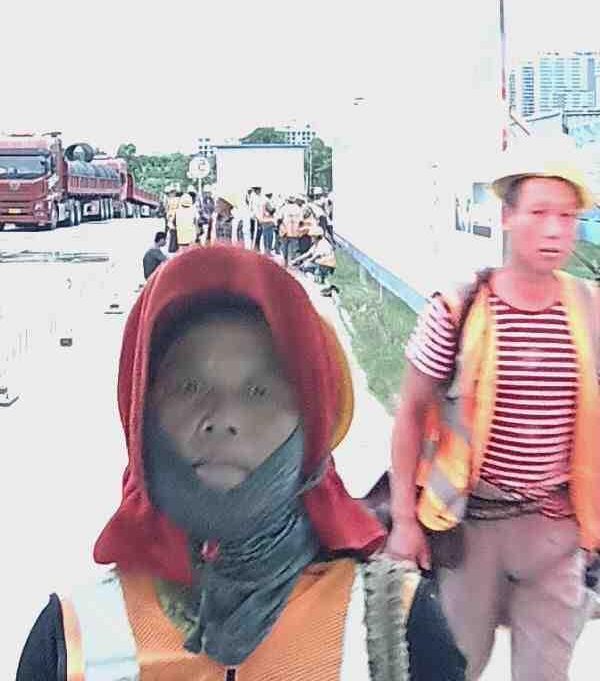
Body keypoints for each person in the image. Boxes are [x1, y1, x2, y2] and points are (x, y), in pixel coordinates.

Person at [17, 245, 466, 680]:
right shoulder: (72, 640)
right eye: (189, 387)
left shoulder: (392, 626)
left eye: (259, 392)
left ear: (310, 427)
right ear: (141, 417)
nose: (222, 418)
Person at [387, 137, 600, 681]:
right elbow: (410, 412)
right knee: (455, 667)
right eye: (539, 213)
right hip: (470, 529)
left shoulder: (591, 310)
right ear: (506, 216)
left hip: (555, 533)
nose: (554, 231)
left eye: (567, 217)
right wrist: (405, 521)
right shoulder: (457, 310)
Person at [293, 228, 338, 295]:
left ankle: (328, 289)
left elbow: (316, 256)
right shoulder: (316, 243)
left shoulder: (323, 243)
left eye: (312, 236)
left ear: (317, 236)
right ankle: (321, 284)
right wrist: (295, 260)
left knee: (313, 274)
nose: (311, 238)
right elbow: (308, 254)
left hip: (326, 265)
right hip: (321, 263)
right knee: (306, 268)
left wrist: (306, 262)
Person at [278, 195, 303, 268]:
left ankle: (285, 262)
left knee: (284, 247)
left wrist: (280, 227)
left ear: (287, 200)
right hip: (295, 232)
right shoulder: (298, 208)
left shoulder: (284, 208)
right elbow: (301, 221)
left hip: (285, 231)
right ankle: (293, 263)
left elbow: (279, 219)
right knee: (294, 249)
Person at [259, 191, 277, 255]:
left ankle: (266, 251)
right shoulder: (267, 202)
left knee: (265, 236)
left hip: (264, 221)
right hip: (268, 221)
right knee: (269, 237)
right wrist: (275, 208)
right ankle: (268, 251)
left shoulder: (262, 201)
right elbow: (271, 211)